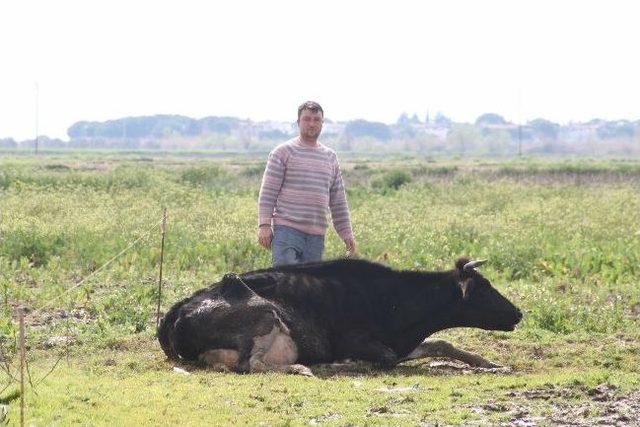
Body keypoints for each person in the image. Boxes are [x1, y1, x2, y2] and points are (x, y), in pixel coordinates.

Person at [257, 101, 355, 266]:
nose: (312, 123)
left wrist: (346, 233)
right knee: (286, 283)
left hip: (316, 237)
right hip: (287, 231)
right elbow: (268, 193)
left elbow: (338, 200)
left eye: (316, 120)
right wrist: (264, 225)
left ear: (322, 124)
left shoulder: (330, 157)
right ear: (298, 122)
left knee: (308, 289)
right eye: (307, 119)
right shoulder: (283, 152)